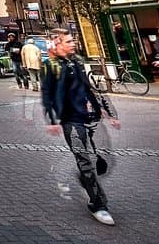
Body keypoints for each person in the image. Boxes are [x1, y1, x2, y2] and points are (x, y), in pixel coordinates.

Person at [41, 31, 119, 226]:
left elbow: (87, 88)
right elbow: (47, 93)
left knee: (104, 161)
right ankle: (98, 204)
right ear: (57, 46)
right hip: (70, 119)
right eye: (68, 41)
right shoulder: (50, 66)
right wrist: (51, 119)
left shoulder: (75, 62)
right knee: (85, 160)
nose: (73, 43)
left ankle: (86, 179)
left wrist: (105, 110)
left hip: (90, 117)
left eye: (72, 40)